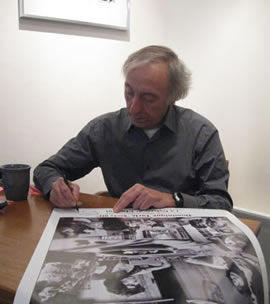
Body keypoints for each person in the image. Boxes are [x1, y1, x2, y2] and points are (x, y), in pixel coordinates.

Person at [34, 45, 233, 212]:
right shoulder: (105, 129)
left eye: (148, 98)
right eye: (129, 93)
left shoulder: (201, 134)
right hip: (120, 236)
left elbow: (221, 203)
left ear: (173, 97)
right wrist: (55, 187)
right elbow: (47, 169)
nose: (134, 107)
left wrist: (173, 199)